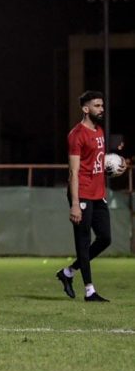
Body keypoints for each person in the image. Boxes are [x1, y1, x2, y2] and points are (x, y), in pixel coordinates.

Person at [55, 91, 125, 302]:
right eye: (97, 106)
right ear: (86, 109)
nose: (101, 109)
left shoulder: (99, 131)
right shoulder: (76, 135)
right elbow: (73, 172)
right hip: (82, 194)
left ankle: (68, 272)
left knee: (105, 238)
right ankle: (89, 291)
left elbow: (96, 162)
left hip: (98, 193)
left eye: (102, 105)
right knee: (83, 241)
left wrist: (113, 167)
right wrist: (75, 204)